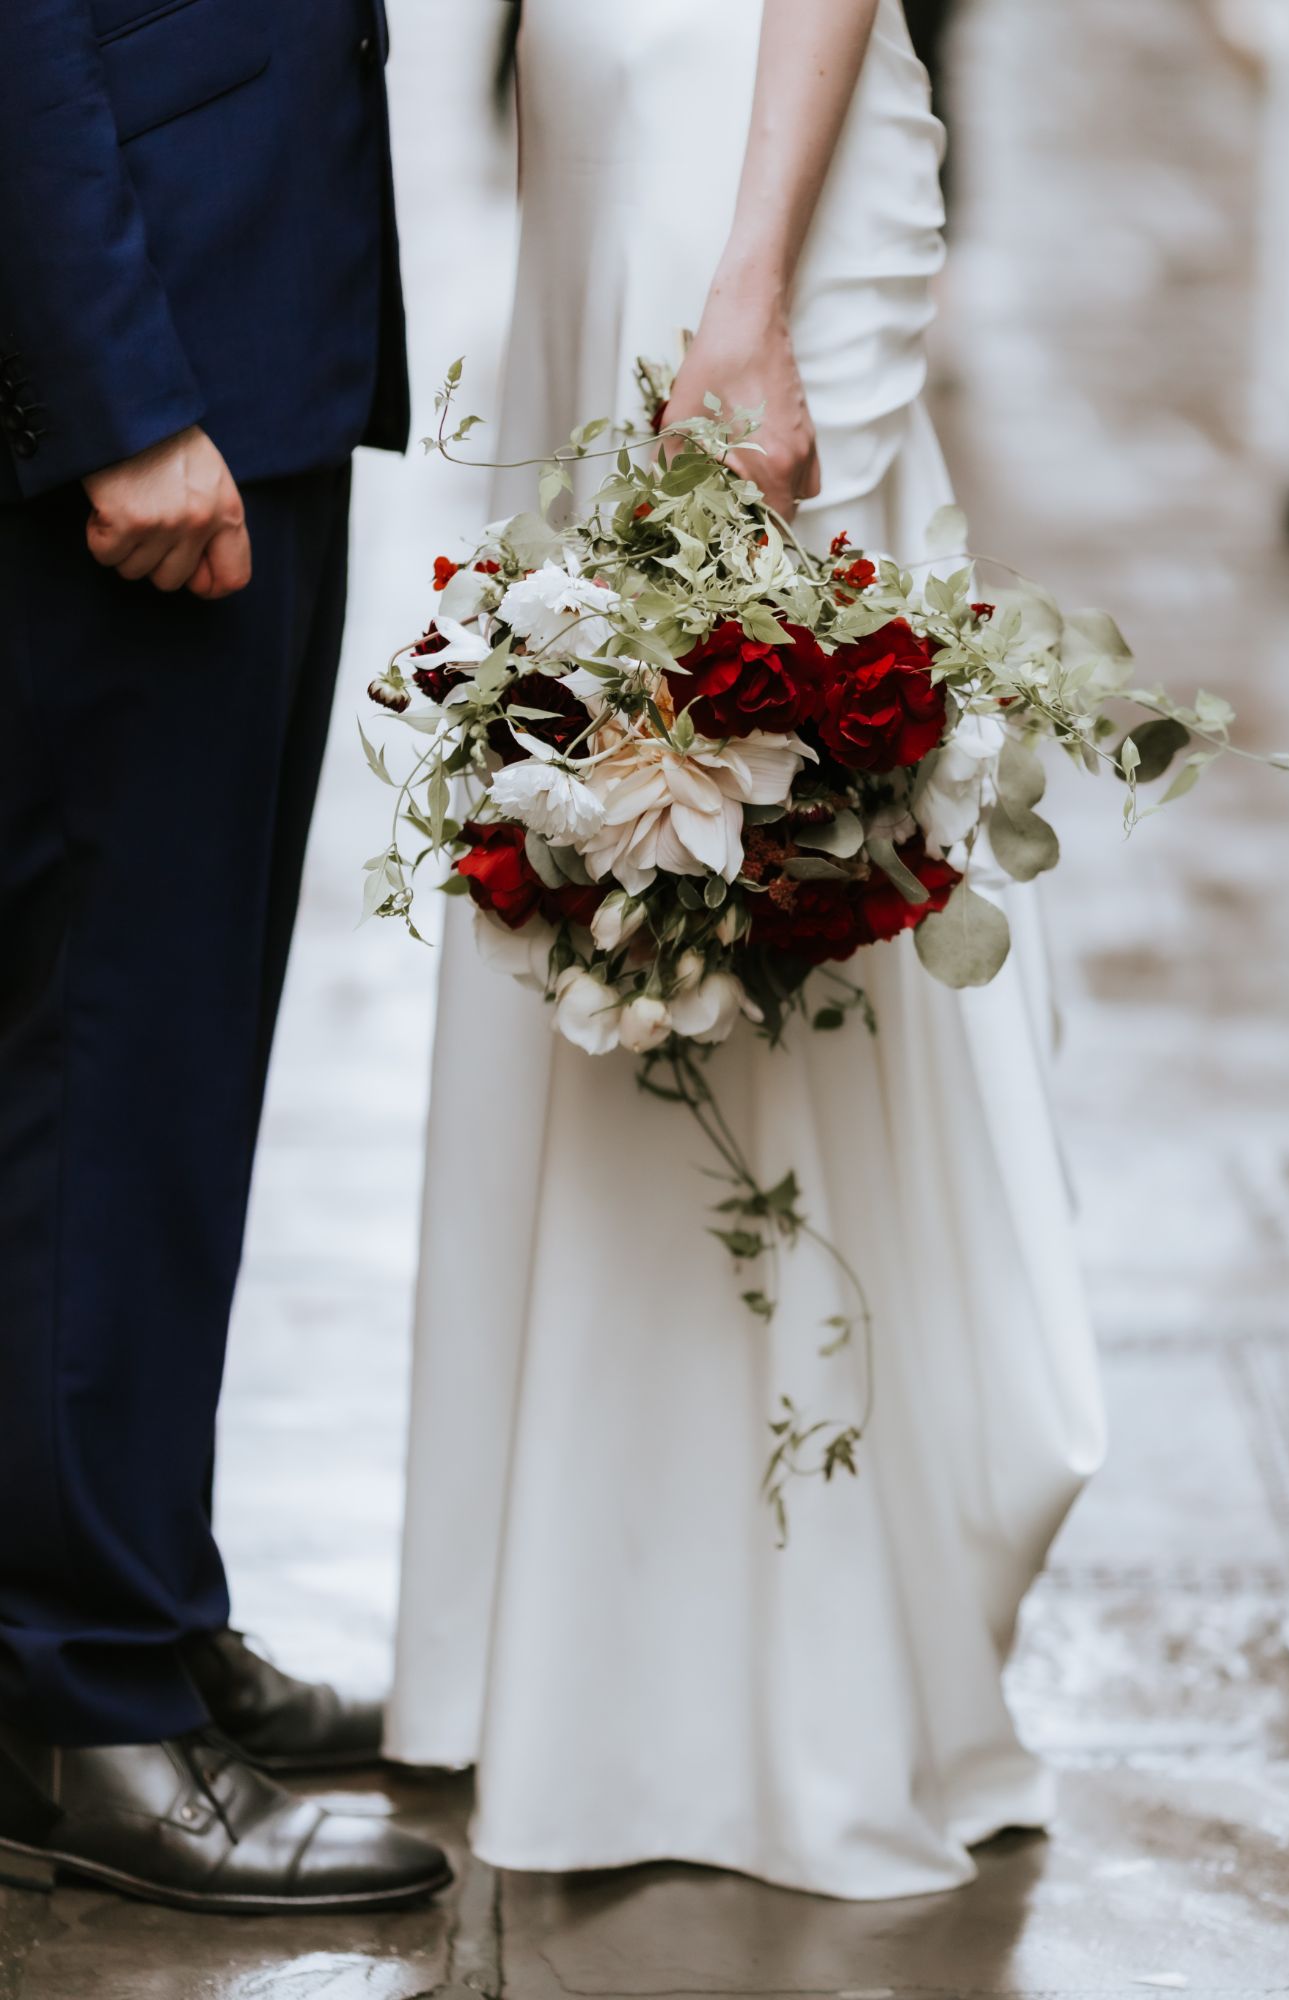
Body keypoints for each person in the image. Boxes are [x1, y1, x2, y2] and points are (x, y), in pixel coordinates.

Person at [388, 0, 1104, 1901]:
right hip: (610, 140)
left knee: (760, 802)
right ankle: (574, 1634)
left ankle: (781, 1673)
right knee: (596, 779)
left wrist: (750, 275)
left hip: (737, 157)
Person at [0, 0, 449, 1914]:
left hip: (244, 338)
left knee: (171, 1058)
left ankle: (143, 1618)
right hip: (150, 374)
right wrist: (114, 394)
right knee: (112, 1060)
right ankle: (78, 1705)